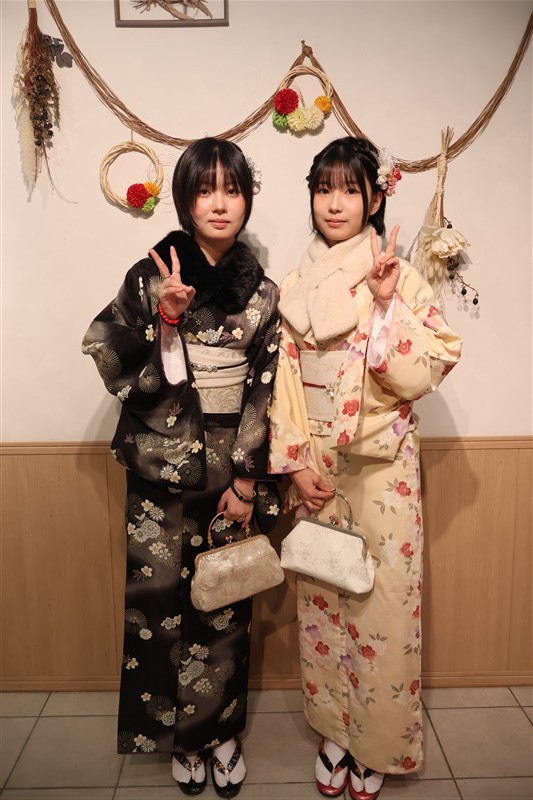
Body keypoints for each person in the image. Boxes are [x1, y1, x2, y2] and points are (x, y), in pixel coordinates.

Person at [83, 137, 280, 798]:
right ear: (185, 200)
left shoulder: (261, 292)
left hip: (231, 471)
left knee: (225, 603)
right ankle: (175, 739)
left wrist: (248, 479)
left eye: (232, 189)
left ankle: (218, 735)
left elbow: (267, 387)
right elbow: (106, 351)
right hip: (159, 468)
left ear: (246, 200)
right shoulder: (150, 274)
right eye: (204, 189)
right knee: (158, 605)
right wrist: (165, 318)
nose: (219, 203)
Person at [268, 136, 462, 800]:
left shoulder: (397, 274)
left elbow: (428, 365)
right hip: (317, 468)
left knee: (381, 606)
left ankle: (375, 743)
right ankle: (333, 732)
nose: (335, 203)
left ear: (374, 199)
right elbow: (283, 382)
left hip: (381, 470)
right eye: (323, 189)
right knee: (322, 599)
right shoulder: (294, 285)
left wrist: (383, 306)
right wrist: (295, 464)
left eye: (350, 190)